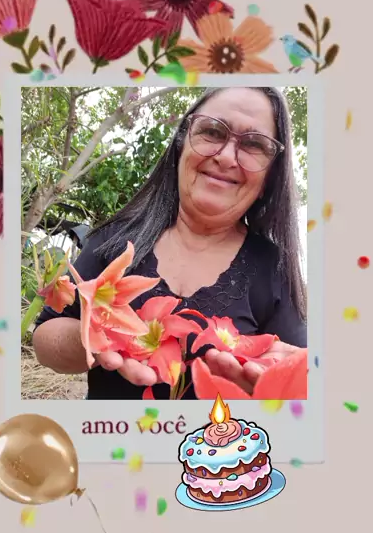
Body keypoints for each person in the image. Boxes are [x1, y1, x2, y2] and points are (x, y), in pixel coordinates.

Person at [32, 86, 307, 399]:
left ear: (270, 177)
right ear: (181, 144)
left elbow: (299, 379)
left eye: (254, 144)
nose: (226, 157)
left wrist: (280, 385)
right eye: (212, 131)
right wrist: (94, 336)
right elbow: (46, 336)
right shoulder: (115, 240)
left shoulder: (275, 268)